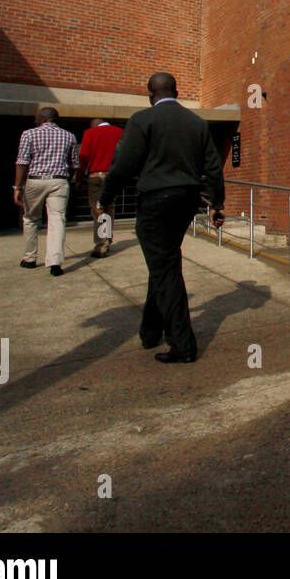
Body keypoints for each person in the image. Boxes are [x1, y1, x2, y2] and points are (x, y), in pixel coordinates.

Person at [98, 73, 225, 364]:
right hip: (186, 202)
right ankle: (150, 330)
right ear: (177, 92)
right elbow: (214, 168)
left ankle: (183, 345)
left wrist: (105, 199)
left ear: (149, 95)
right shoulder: (197, 123)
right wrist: (216, 204)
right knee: (164, 261)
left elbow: (123, 165)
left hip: (155, 202)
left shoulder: (142, 120)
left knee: (165, 268)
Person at [13, 107, 80, 276]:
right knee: (57, 220)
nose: (34, 119)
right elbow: (74, 164)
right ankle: (55, 262)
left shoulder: (28, 134)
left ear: (43, 118)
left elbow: (22, 161)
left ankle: (30, 258)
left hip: (35, 180)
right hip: (59, 180)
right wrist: (66, 178)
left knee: (30, 218)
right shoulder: (69, 136)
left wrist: (17, 187)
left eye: (36, 117)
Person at [77, 117, 124, 257]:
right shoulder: (120, 132)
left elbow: (84, 156)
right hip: (114, 176)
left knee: (98, 209)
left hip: (96, 175)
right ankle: (107, 239)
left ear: (94, 125)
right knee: (109, 208)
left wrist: (79, 178)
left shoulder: (91, 133)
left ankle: (101, 244)